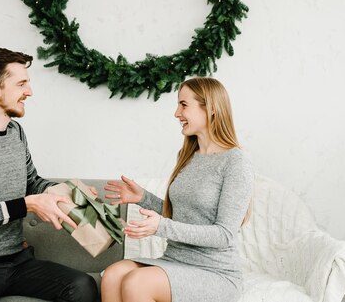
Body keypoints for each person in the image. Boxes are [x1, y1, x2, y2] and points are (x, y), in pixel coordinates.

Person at [0, 48, 99, 302]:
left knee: (82, 286)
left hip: (17, 262)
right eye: (21, 84)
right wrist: (27, 204)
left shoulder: (16, 133)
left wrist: (69, 190)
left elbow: (32, 183)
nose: (29, 92)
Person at [101, 77, 254, 302]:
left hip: (214, 271)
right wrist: (142, 197)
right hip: (175, 260)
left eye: (183, 105)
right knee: (113, 274)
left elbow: (224, 235)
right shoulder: (188, 156)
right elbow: (180, 217)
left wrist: (161, 227)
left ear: (210, 108)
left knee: (137, 282)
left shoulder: (235, 162)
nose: (176, 113)